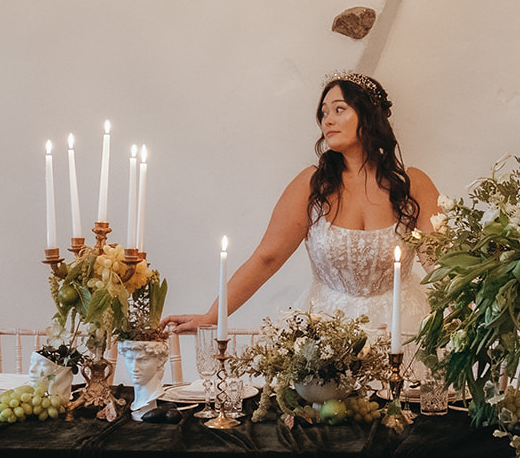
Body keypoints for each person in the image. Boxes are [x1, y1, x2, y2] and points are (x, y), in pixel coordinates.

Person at [162, 72, 439, 341]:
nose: (328, 120)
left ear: (368, 116)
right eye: (323, 113)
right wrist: (212, 317)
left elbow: (439, 264)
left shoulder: (413, 184)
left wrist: (466, 314)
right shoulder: (312, 185)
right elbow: (266, 258)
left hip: (402, 329)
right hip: (326, 331)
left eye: (339, 109)